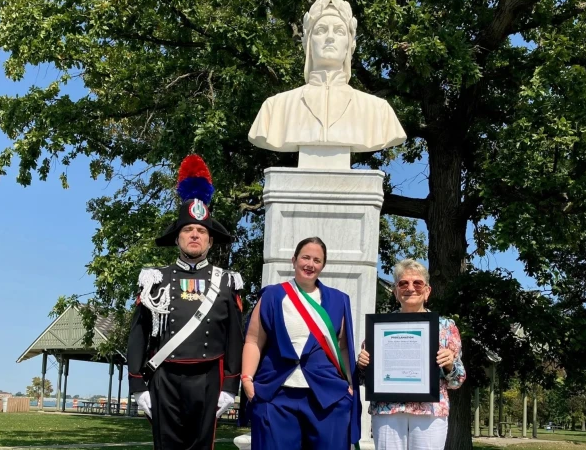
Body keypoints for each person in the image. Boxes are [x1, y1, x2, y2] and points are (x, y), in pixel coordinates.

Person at [127, 154, 244, 450]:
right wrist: (137, 384)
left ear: (210, 241)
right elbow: (138, 335)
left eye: (201, 231)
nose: (195, 235)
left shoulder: (227, 282)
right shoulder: (155, 279)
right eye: (188, 230)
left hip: (209, 379)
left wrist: (230, 386)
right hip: (164, 377)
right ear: (177, 238)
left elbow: (235, 339)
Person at [248, 0, 406, 154]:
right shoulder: (275, 108)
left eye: (339, 31)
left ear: (350, 45)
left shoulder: (378, 110)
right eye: (321, 30)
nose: (330, 37)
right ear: (308, 43)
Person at [241, 237, 361, 450]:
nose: (310, 264)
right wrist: (247, 379)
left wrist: (350, 386)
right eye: (305, 257)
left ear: (323, 265)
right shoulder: (272, 295)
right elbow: (253, 340)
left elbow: (342, 347)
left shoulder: (338, 300)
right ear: (294, 260)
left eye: (317, 260)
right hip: (276, 393)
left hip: (327, 396)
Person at [357, 259, 466, 450]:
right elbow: (365, 379)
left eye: (417, 283)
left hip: (430, 412)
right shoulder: (380, 327)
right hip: (388, 410)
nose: (410, 288)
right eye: (403, 283)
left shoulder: (446, 327)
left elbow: (457, 381)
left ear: (427, 291)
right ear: (395, 291)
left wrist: (450, 365)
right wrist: (362, 365)